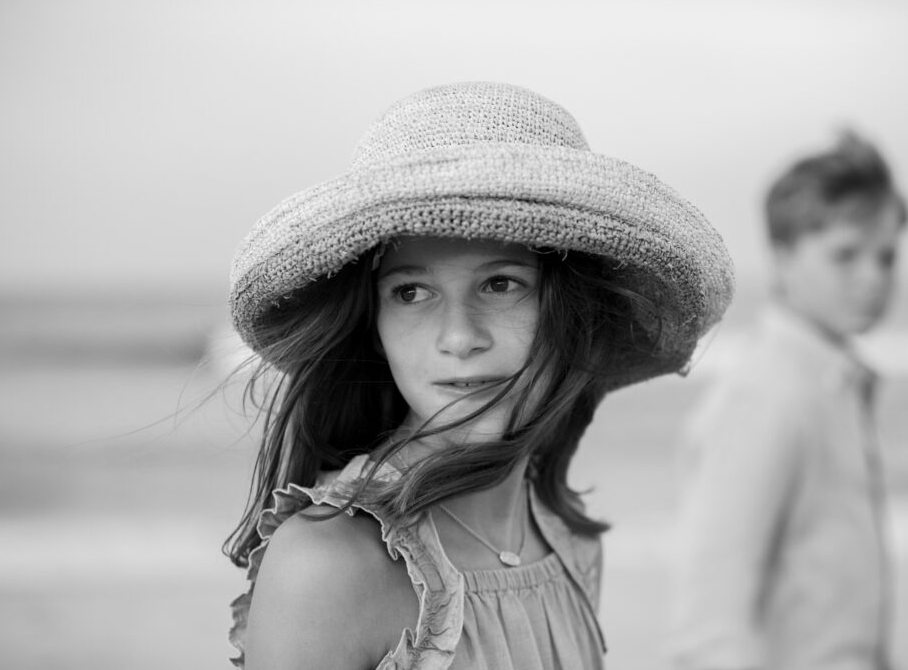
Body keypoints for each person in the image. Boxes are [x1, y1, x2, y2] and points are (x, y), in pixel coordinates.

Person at [223, 81, 734, 669]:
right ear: (375, 325)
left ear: (575, 314)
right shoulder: (330, 561)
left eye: (501, 284)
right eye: (411, 292)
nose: (460, 337)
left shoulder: (566, 541)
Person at [669, 131, 908, 670]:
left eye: (887, 256)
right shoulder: (767, 393)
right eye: (845, 254)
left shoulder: (832, 383)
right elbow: (710, 628)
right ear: (783, 256)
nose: (873, 276)